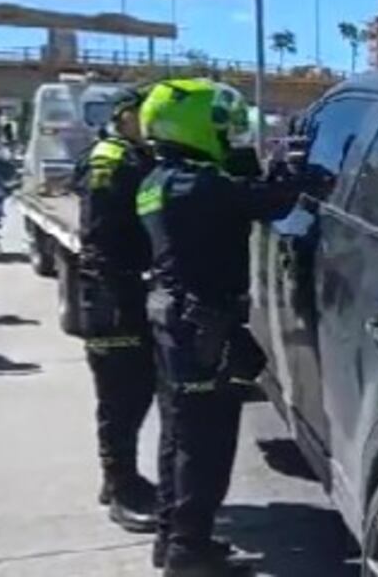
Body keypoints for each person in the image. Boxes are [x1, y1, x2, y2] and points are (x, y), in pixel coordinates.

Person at [138, 79, 299, 576]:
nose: (230, 135)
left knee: (177, 437)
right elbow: (272, 202)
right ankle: (190, 552)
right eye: (221, 127)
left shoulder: (160, 180)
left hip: (174, 320)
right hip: (200, 325)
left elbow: (230, 195)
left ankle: (173, 539)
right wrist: (296, 170)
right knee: (204, 444)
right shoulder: (198, 185)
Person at [72, 86, 158, 534]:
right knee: (120, 395)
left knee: (138, 389)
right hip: (111, 292)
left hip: (124, 288)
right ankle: (120, 486)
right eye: (144, 114)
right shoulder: (111, 160)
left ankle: (121, 476)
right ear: (124, 116)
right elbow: (103, 233)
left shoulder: (135, 155)